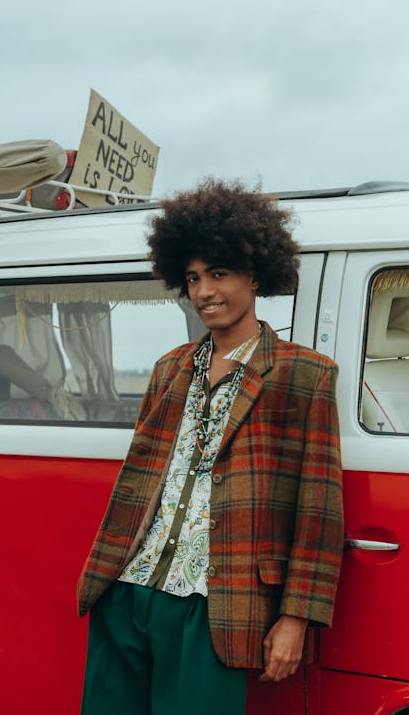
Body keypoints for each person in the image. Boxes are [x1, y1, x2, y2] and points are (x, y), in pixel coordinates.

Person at [76, 179, 344, 715]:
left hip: (215, 604)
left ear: (253, 274)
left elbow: (319, 511)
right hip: (129, 589)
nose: (204, 292)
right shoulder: (169, 368)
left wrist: (295, 618)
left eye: (218, 274)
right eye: (194, 278)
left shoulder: (304, 375)